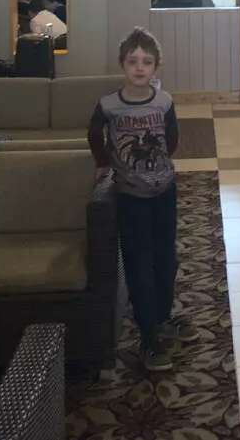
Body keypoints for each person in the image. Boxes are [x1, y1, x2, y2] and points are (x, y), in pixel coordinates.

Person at [87, 28, 199, 371]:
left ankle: (162, 317)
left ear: (156, 67)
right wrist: (104, 162)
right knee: (139, 263)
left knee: (166, 258)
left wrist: (158, 166)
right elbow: (94, 133)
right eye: (133, 61)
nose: (139, 68)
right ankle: (148, 335)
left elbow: (173, 137)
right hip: (131, 196)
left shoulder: (164, 102)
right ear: (122, 65)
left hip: (164, 191)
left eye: (146, 62)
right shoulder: (109, 105)